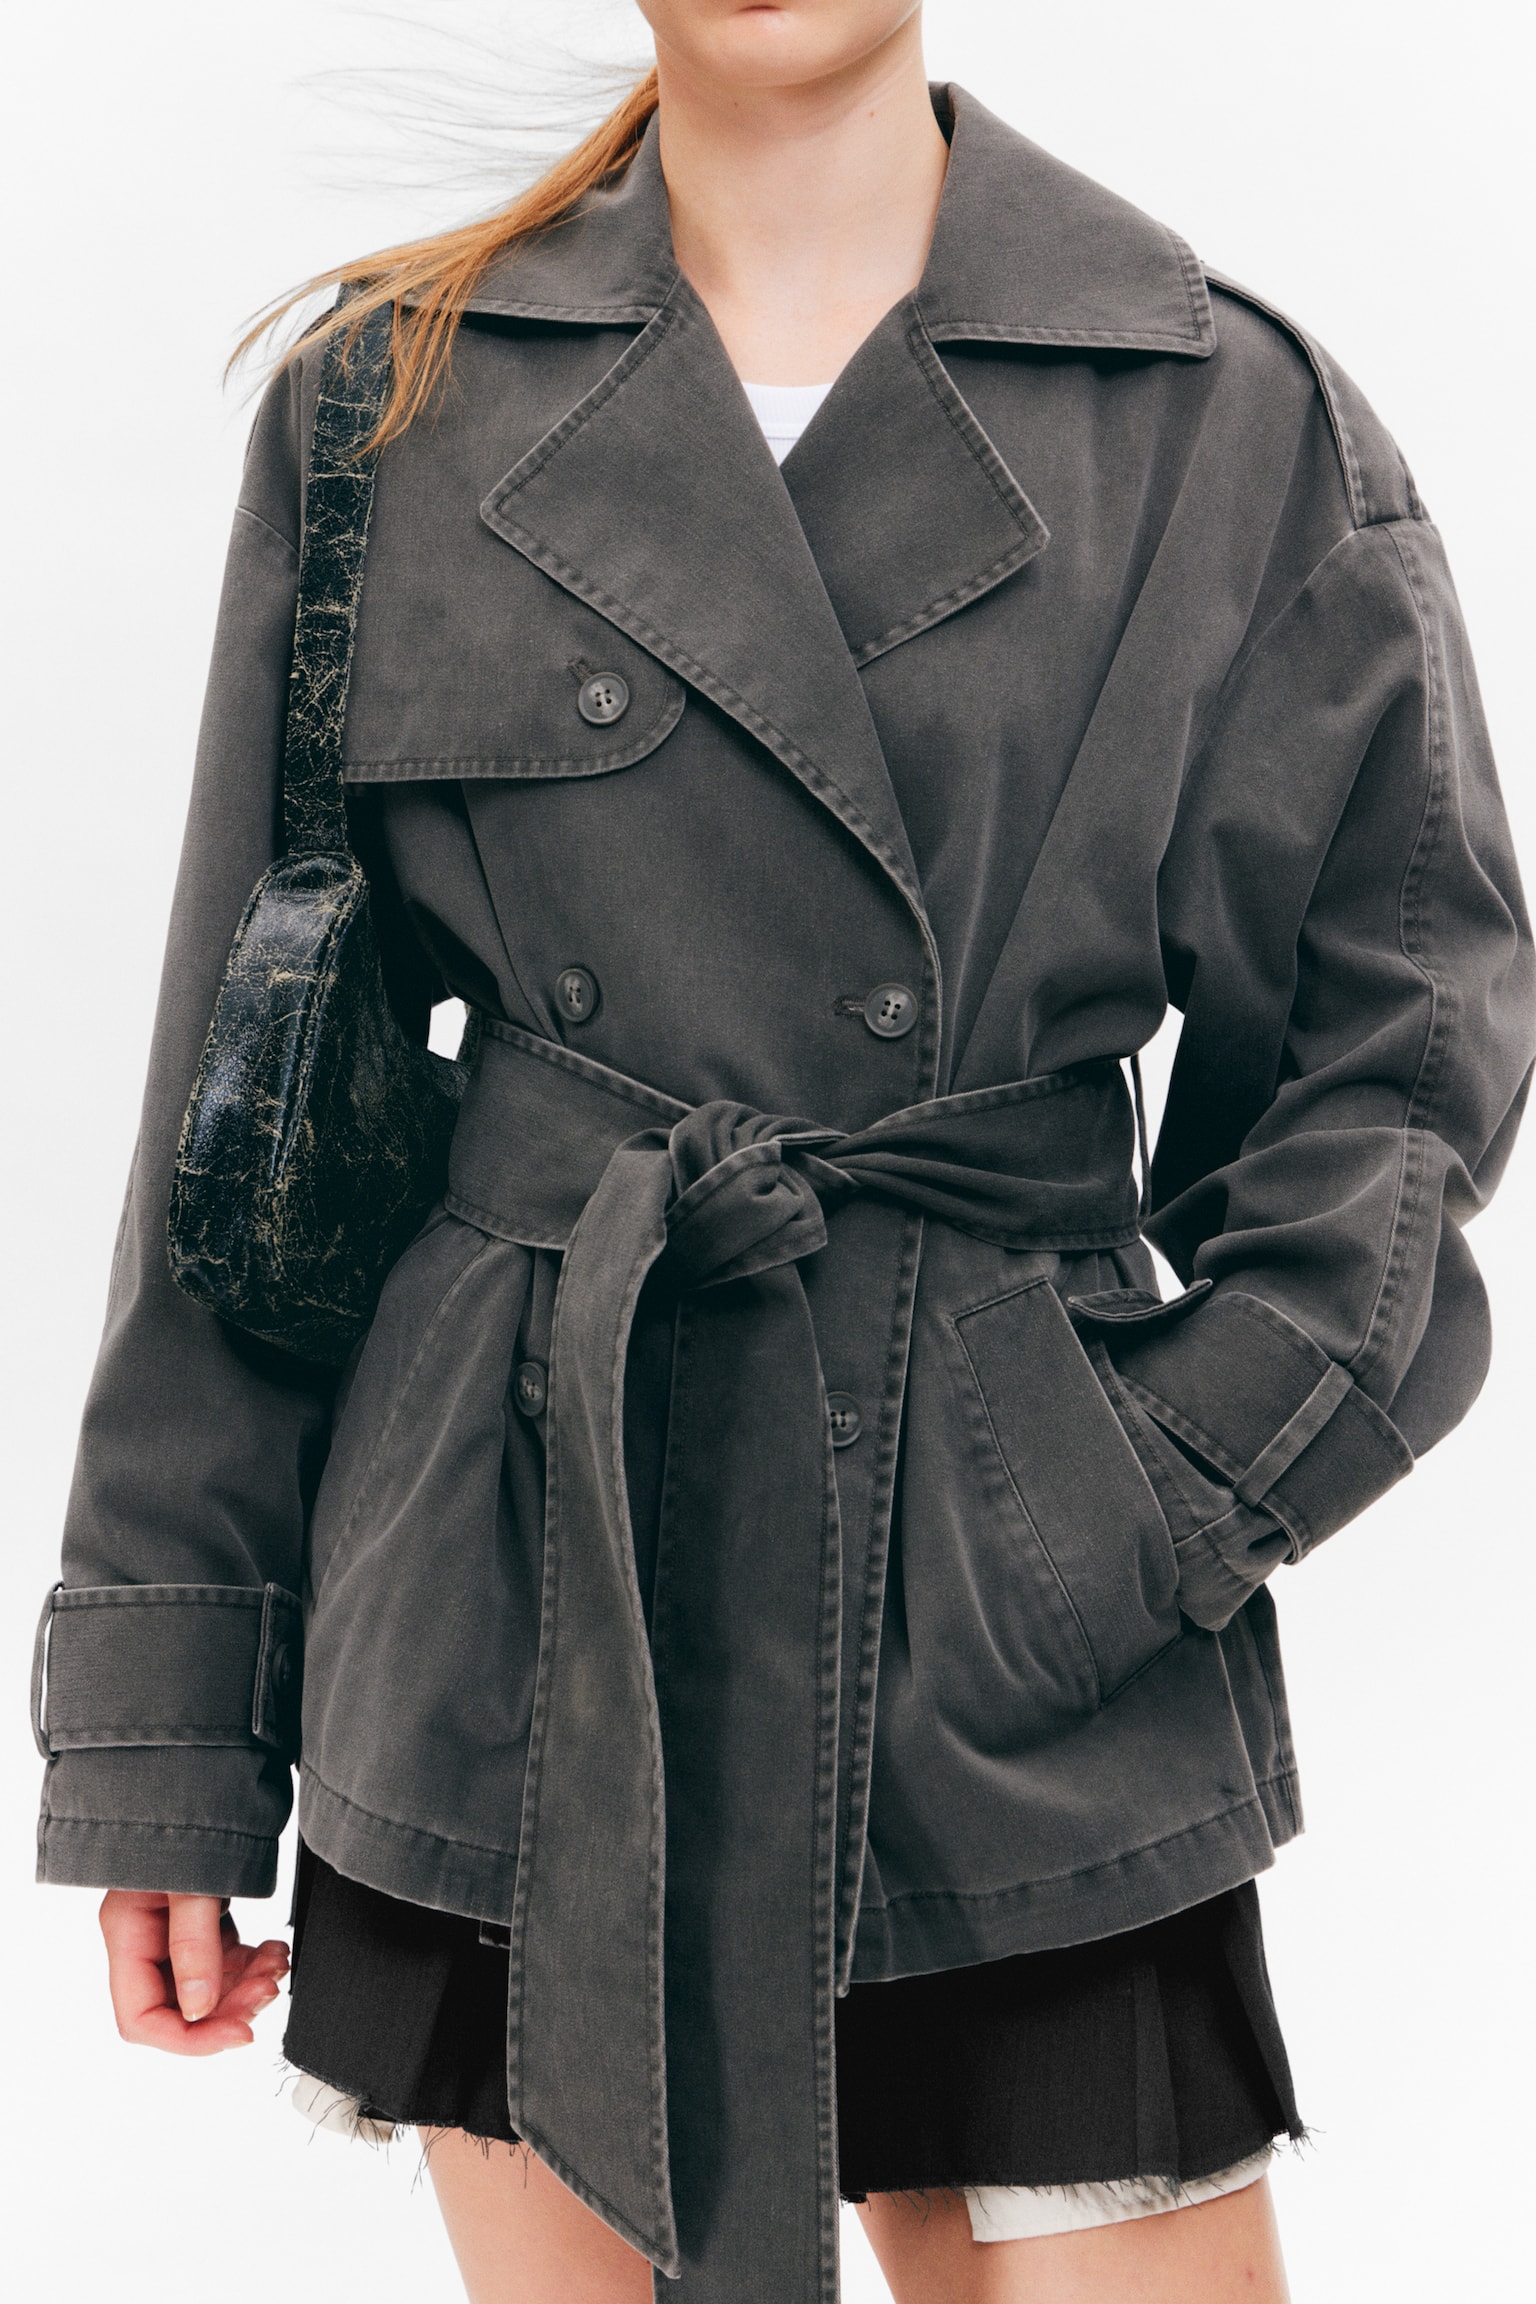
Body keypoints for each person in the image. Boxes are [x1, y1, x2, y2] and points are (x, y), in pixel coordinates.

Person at [33, 5, 1532, 2302]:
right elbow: (248, 1135)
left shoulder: (1220, 412)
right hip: (527, 1595)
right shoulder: (388, 403)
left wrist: (1145, 1503)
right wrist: (173, 1717)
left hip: (1010, 1622)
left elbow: (1401, 1050)